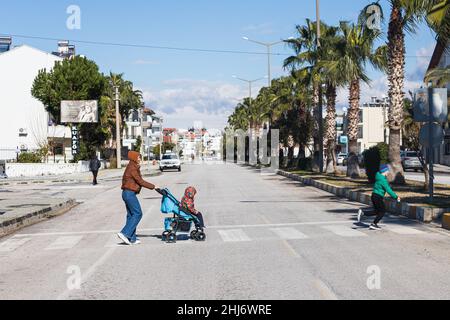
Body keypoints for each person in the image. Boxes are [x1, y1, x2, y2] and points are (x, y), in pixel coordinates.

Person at [117, 151, 159, 245]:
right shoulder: (132, 168)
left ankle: (132, 238)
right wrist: (153, 186)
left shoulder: (132, 166)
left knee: (131, 215)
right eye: (138, 157)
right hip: (129, 193)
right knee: (138, 213)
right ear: (133, 158)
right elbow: (140, 181)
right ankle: (124, 233)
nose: (140, 159)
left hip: (127, 193)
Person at [358, 164, 401, 231]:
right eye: (387, 171)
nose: (388, 172)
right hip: (378, 197)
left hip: (374, 196)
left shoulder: (379, 176)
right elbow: (388, 190)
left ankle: (363, 212)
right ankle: (374, 224)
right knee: (382, 211)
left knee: (377, 211)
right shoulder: (383, 180)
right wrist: (396, 197)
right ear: (384, 171)